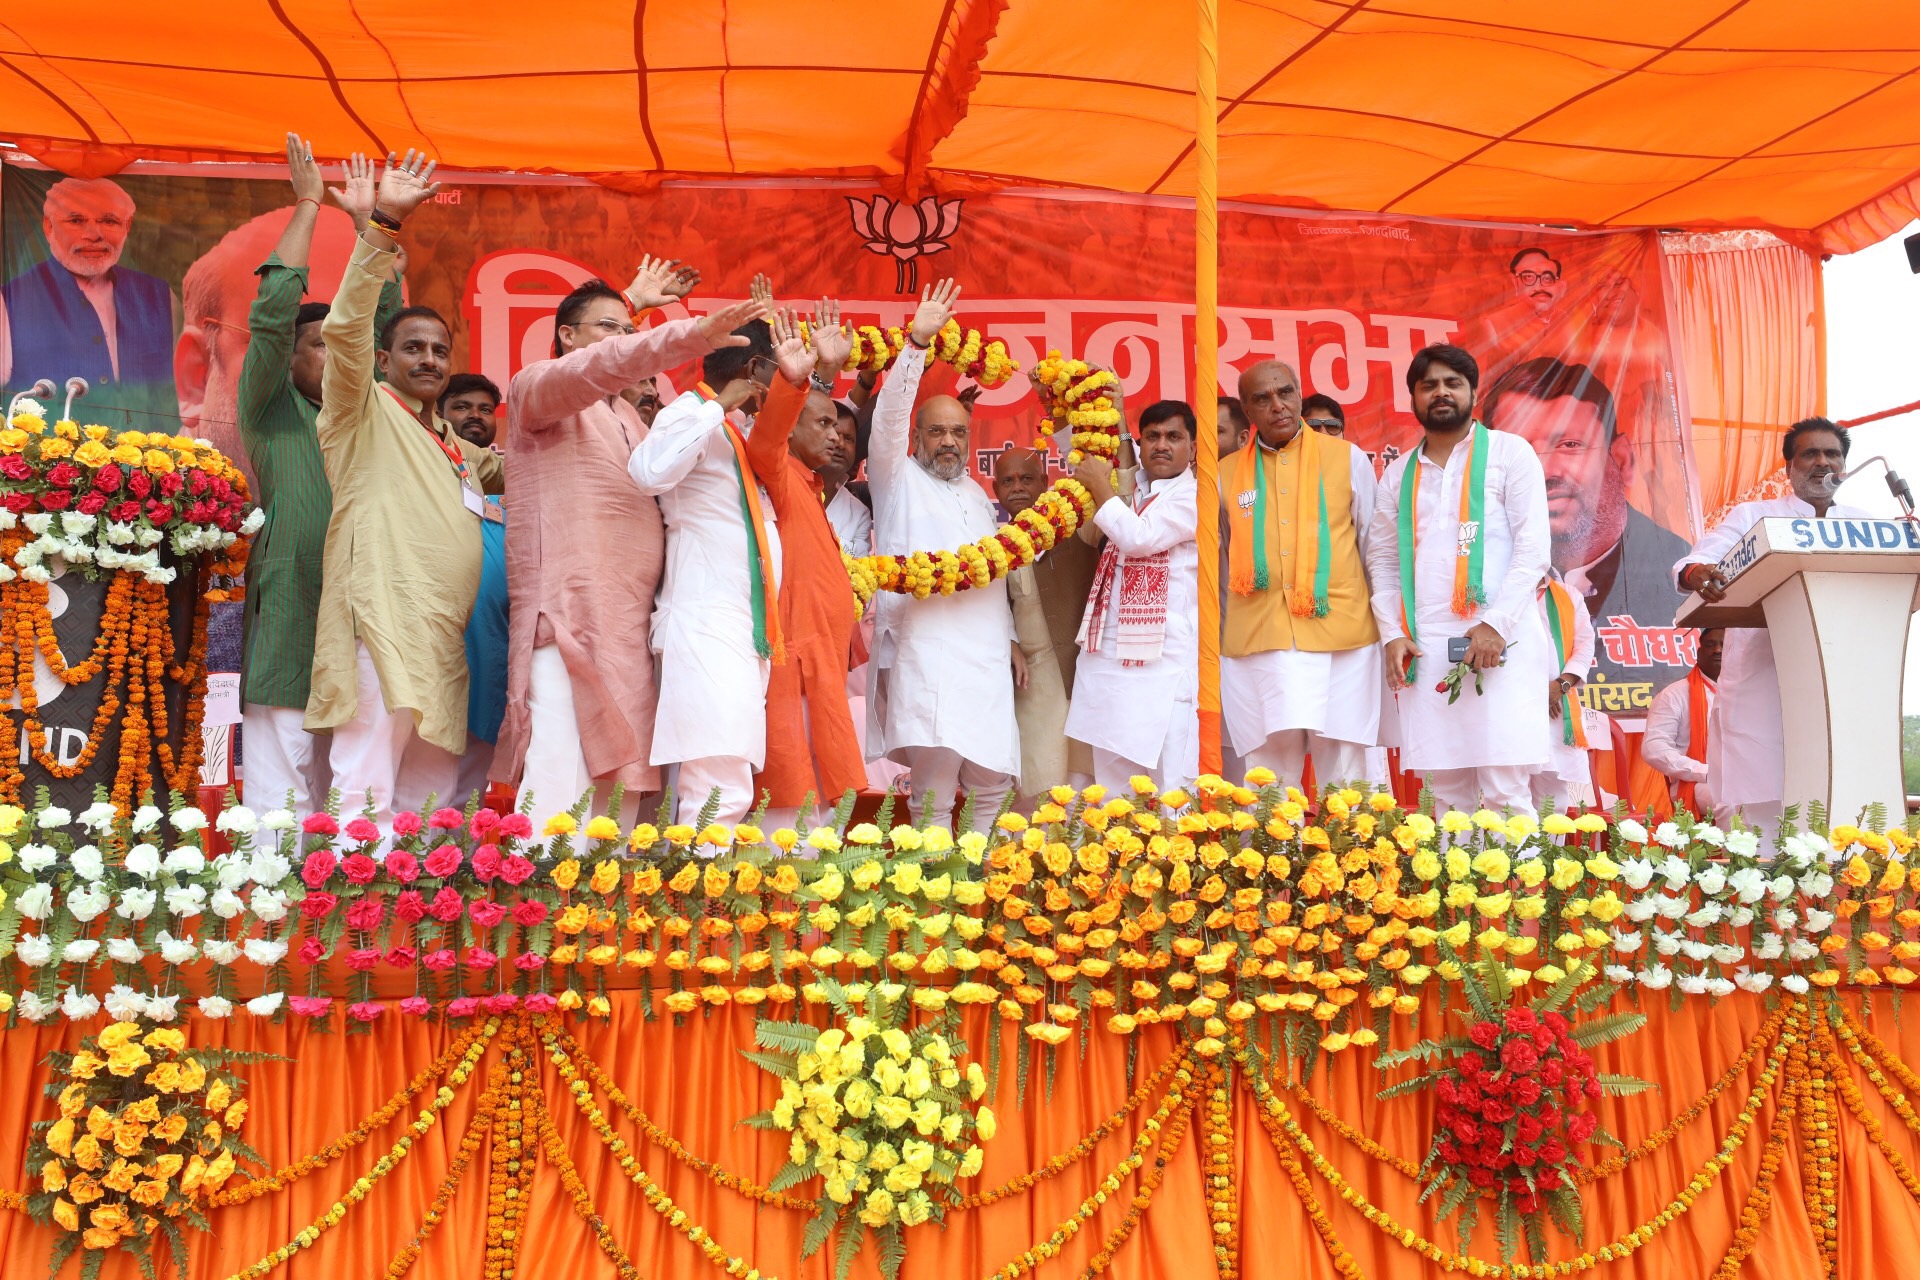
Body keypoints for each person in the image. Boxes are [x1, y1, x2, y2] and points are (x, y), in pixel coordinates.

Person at [499, 267, 758, 825]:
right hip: (571, 618)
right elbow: (601, 364)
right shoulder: (538, 389)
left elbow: (612, 360)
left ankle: (603, 909)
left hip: (633, 631)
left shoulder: (632, 421)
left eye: (627, 328)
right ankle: (537, 905)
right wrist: (686, 337)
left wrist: (628, 312)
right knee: (560, 778)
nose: (622, 339)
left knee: (622, 796)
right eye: (606, 326)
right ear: (566, 334)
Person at [306, 150, 504, 829]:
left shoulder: (455, 444)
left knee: (433, 784)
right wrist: (383, 222)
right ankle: (349, 920)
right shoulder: (360, 408)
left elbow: (529, 465)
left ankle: (425, 914)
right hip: (381, 622)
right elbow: (344, 327)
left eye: (440, 351)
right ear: (384, 361)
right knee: (364, 780)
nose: (429, 360)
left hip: (443, 633)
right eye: (414, 349)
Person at [237, 138, 401, 816]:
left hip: (363, 606)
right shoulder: (271, 408)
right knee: (281, 779)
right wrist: (310, 204)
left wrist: (372, 224)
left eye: (343, 347)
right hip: (291, 602)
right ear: (291, 359)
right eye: (318, 345)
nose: (334, 357)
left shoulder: (369, 415)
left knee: (358, 778)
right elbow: (273, 313)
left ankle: (342, 904)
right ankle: (270, 903)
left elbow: (383, 314)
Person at [1368, 344, 1552, 813]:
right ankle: (1454, 889)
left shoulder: (1511, 454)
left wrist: (1497, 624)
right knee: (1444, 793)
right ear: (1413, 397)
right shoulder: (1396, 475)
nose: (1441, 393)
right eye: (1428, 385)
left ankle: (1518, 889)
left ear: (1474, 393)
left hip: (1502, 638)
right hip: (1426, 643)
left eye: (1453, 383)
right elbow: (1385, 563)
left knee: (1506, 789)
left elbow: (1533, 551)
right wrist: (1392, 634)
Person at [867, 279, 1019, 829]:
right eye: (936, 432)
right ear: (917, 438)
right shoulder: (897, 478)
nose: (949, 442)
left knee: (991, 785)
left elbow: (996, 575)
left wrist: (1011, 641)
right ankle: (933, 899)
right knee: (932, 792)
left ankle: (976, 898)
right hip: (926, 652)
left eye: (958, 431)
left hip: (984, 658)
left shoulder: (977, 493)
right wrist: (915, 347)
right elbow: (885, 423)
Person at [1675, 418, 1867, 838]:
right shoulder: (1756, 517)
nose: (1822, 462)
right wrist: (1695, 573)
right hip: (1765, 682)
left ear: (1845, 465)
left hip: (1842, 683)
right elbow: (1700, 560)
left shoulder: (1864, 524)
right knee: (1763, 818)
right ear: (1790, 468)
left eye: (1831, 453)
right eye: (1810, 453)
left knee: (1838, 800)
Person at [627, 307, 781, 825]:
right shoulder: (690, 412)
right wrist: (719, 407)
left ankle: (697, 899)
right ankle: (706, 905)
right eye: (781, 366)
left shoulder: (735, 433)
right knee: (717, 791)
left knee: (719, 784)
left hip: (739, 628)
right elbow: (648, 471)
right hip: (705, 622)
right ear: (757, 368)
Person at [1221, 362, 1382, 789]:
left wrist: (1390, 626)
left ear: (1298, 394)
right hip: (1260, 637)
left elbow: (1373, 546)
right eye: (1262, 398)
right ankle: (1276, 857)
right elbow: (1217, 558)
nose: (1278, 405)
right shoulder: (1223, 473)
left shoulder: (1346, 458)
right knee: (1268, 779)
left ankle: (1352, 857)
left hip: (1344, 636)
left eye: (1286, 393)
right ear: (1246, 409)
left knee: (1346, 778)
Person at [1482, 357, 1689, 689]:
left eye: (1569, 445)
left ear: (1621, 460)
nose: (1543, 472)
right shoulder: (1472, 572)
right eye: (1519, 452)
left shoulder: (1678, 575)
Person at [740, 303, 867, 825]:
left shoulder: (809, 486)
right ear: (789, 428)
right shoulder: (777, 471)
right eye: (823, 424)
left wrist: (827, 376)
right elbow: (767, 437)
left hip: (823, 666)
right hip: (795, 665)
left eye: (839, 429)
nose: (837, 435)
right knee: (788, 814)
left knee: (819, 811)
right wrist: (807, 379)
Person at [1066, 401, 1200, 791]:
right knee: (1113, 791)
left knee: (1170, 789)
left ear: (1192, 448)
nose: (1161, 445)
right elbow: (1088, 462)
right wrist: (1117, 416)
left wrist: (1101, 485)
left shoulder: (1192, 496)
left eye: (1174, 437)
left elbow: (1137, 538)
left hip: (1164, 667)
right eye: (1152, 437)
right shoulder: (1134, 489)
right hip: (1109, 662)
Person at [1, 176, 178, 431]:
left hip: (142, 467)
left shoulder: (161, 297)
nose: (94, 234)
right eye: (76, 220)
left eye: (109, 221)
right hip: (48, 467)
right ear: (48, 227)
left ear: (127, 227)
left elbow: (182, 399)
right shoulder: (10, 301)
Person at [995, 444, 1100, 801]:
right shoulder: (994, 548)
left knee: (1085, 783)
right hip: (1033, 679)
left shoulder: (1077, 529)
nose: (1018, 488)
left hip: (1080, 669)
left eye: (1026, 479)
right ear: (995, 491)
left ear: (1045, 481)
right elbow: (992, 610)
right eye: (1007, 481)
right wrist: (1007, 640)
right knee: (1039, 783)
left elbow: (1117, 500)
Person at [440, 374, 507, 803]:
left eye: (485, 409)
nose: (475, 417)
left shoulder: (511, 477)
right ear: (441, 415)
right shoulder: (431, 465)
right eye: (462, 407)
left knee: (471, 779)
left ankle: (458, 863)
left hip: (493, 639)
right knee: (428, 768)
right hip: (443, 634)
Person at [1641, 627, 1724, 818]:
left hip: (1743, 777)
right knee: (1732, 801)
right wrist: (1703, 772)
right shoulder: (1675, 695)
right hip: (1698, 784)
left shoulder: (1747, 693)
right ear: (1698, 652)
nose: (1718, 650)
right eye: (1710, 645)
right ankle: (1735, 849)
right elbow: (1654, 748)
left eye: (1724, 645)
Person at [1530, 576, 1597, 808]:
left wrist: (1560, 686)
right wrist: (1533, 692)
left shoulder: (1568, 595)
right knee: (1506, 790)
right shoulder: (1500, 591)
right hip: (1510, 703)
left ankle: (1549, 846)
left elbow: (1585, 645)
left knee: (1552, 799)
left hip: (1555, 706)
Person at [824, 403, 872, 557]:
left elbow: (858, 564)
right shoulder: (787, 484)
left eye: (849, 439)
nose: (841, 444)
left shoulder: (859, 512)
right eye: (835, 434)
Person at [441, 372, 501, 448]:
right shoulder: (424, 458)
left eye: (485, 410)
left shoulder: (505, 460)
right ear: (438, 415)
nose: (476, 415)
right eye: (462, 407)